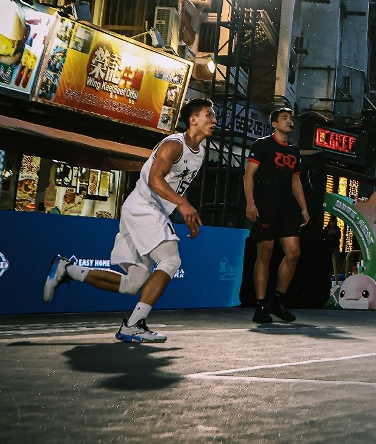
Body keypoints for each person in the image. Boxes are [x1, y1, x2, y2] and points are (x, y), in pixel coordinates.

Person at [43, 99, 216, 342]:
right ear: (193, 120)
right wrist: (182, 204)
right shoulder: (173, 145)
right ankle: (133, 325)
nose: (214, 120)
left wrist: (182, 209)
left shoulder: (201, 153)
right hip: (144, 206)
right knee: (170, 260)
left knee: (133, 283)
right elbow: (155, 180)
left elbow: (177, 185)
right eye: (209, 115)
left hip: (146, 211)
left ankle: (68, 269)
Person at [243, 107, 310, 324]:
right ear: (274, 123)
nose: (289, 121)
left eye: (291, 118)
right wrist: (250, 203)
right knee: (265, 254)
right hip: (265, 207)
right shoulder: (262, 145)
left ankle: (278, 300)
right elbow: (248, 175)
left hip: (287, 209)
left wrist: (303, 208)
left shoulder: (294, 151)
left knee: (294, 252)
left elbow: (296, 180)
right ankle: (261, 305)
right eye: (284, 118)